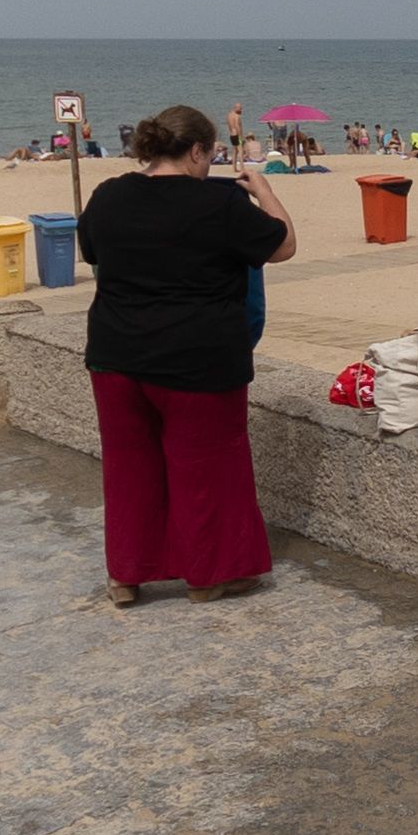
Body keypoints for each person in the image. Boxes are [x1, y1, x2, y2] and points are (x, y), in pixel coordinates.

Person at [76, 105, 296, 607]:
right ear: (196, 150)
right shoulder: (216, 205)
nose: (209, 164)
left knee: (129, 467)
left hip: (116, 354)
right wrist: (266, 194)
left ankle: (126, 577)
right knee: (208, 469)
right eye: (210, 154)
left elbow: (91, 251)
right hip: (198, 358)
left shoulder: (109, 196)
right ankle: (209, 576)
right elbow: (281, 246)